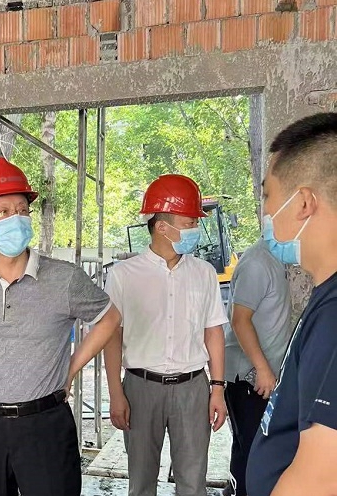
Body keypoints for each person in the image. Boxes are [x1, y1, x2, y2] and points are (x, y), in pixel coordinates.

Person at [0, 157, 121, 496]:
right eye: (2, 212)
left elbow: (110, 318)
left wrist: (71, 369)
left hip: (45, 424)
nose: (15, 218)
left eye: (21, 209)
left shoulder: (64, 278)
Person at [103, 174, 228, 496]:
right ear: (162, 227)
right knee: (141, 481)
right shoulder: (123, 276)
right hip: (141, 388)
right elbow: (111, 338)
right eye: (189, 223)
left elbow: (213, 331)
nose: (194, 230)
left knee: (193, 482)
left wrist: (217, 388)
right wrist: (116, 393)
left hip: (192, 388)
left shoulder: (203, 273)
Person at [247, 112, 337, 496]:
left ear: (302, 203)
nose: (266, 212)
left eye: (268, 195)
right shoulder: (325, 296)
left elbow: (321, 478)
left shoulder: (334, 316)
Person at [222, 238, 291, 496]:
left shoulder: (279, 259)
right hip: (250, 379)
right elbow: (239, 320)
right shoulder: (258, 263)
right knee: (253, 454)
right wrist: (262, 369)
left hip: (266, 378)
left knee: (254, 451)